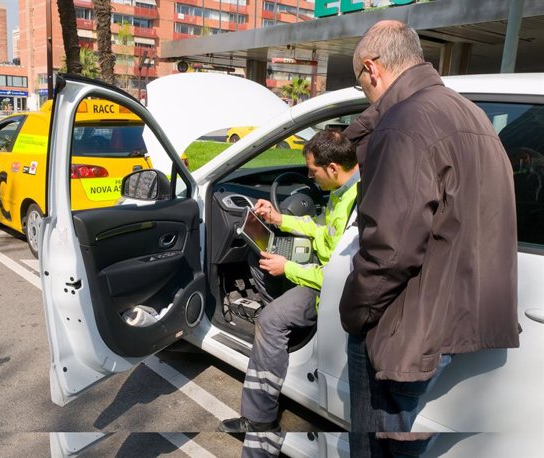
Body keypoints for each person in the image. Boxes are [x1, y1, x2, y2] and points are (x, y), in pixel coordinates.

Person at [340, 20, 520, 456]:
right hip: (455, 316)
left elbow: (389, 250)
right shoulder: (469, 113)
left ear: (372, 68)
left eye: (361, 83)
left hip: (407, 325)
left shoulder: (405, 121)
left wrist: (354, 312)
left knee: (377, 447)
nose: (366, 93)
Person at [219, 129, 360, 456]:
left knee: (269, 320)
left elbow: (337, 275)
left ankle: (260, 420)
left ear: (333, 169)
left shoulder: (357, 203)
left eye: (312, 171)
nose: (309, 176)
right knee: (262, 256)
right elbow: (323, 232)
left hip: (328, 287)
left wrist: (289, 268)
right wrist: (279, 219)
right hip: (319, 268)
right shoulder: (343, 190)